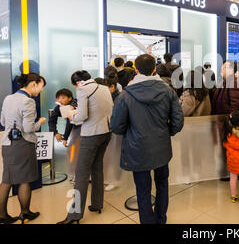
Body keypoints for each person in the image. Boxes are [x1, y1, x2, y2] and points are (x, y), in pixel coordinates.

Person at [110, 54, 184, 224]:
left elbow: (116, 126)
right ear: (154, 69)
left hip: (137, 148)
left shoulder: (126, 95)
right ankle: (161, 218)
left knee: (142, 190)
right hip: (161, 147)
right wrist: (167, 132)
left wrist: (130, 132)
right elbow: (178, 122)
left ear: (135, 70)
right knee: (162, 184)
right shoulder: (168, 91)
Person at [57, 70, 114, 224]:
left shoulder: (82, 90)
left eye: (75, 85)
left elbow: (82, 116)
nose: (76, 88)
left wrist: (70, 115)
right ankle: (97, 204)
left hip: (91, 134)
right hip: (106, 132)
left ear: (79, 83)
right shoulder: (103, 88)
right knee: (97, 168)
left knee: (81, 173)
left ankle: (74, 215)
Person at [0, 73, 47, 224]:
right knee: (25, 179)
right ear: (34, 84)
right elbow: (28, 128)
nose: (40, 90)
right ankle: (25, 213)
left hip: (7, 143)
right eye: (41, 87)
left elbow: (2, 121)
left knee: (7, 179)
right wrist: (40, 122)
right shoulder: (28, 101)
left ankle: (2, 215)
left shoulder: (9, 98)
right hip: (22, 144)